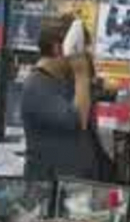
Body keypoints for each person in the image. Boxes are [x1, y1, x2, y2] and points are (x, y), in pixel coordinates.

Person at [20, 15, 112, 181]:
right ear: (58, 48)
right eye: (82, 51)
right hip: (53, 186)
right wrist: (81, 73)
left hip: (77, 182)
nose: (85, 57)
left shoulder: (64, 80)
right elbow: (77, 121)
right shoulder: (37, 86)